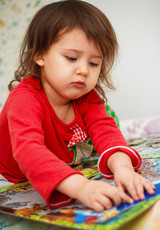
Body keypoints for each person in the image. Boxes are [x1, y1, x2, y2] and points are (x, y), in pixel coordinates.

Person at [0, 0, 155, 212]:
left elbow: (106, 130)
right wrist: (82, 188)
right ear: (40, 55)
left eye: (94, 63)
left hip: (63, 163)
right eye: (72, 58)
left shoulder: (87, 96)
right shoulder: (24, 99)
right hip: (14, 175)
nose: (83, 70)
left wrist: (124, 169)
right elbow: (29, 150)